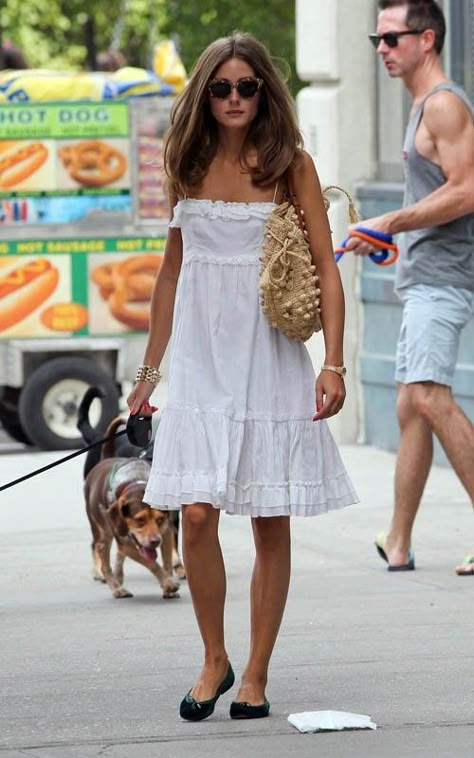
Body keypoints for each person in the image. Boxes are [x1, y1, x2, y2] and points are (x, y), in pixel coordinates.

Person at [127, 31, 358, 721]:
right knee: (195, 514)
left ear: (265, 93)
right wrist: (148, 369)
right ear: (205, 93)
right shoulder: (185, 161)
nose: (234, 98)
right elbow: (171, 273)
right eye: (222, 87)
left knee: (268, 518)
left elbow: (325, 266)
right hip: (201, 358)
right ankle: (213, 656)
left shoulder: (291, 165)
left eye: (247, 87)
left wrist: (336, 363)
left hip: (268, 357)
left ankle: (255, 671)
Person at [346, 0, 474, 574]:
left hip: (444, 279)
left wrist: (390, 221)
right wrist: (390, 236)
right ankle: (397, 540)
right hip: (421, 273)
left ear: (427, 39)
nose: (381, 49)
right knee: (410, 405)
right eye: (378, 38)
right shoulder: (421, 106)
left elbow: (468, 191)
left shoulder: (445, 104)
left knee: (428, 395)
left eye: (392, 38)